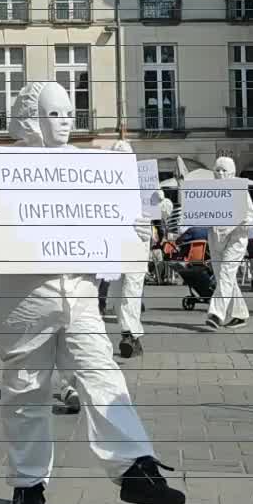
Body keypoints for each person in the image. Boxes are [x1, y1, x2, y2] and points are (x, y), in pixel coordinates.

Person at [0, 81, 184, 504]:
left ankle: (135, 468)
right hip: (22, 298)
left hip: (78, 292)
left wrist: (132, 230)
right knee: (27, 392)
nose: (67, 121)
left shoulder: (86, 166)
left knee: (102, 375)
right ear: (31, 120)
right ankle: (28, 486)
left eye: (70, 113)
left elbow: (116, 221)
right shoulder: (6, 168)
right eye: (56, 114)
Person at [99, 139, 155, 359]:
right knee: (117, 291)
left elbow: (152, 211)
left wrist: (157, 204)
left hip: (137, 242)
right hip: (115, 243)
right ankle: (130, 334)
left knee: (131, 289)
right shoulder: (103, 184)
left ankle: (129, 334)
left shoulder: (142, 181)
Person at [204, 157, 253, 330]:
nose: (220, 173)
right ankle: (240, 314)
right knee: (223, 277)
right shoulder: (208, 191)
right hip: (215, 235)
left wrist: (240, 222)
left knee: (226, 273)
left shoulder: (240, 190)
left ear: (232, 172)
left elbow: (251, 216)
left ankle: (216, 314)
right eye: (217, 169)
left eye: (224, 170)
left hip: (236, 238)